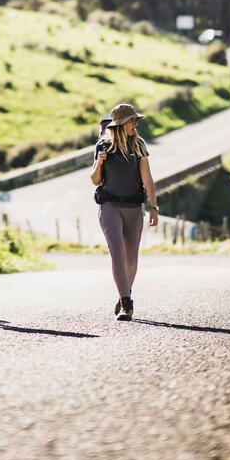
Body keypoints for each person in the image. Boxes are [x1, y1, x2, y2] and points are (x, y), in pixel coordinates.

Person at [91, 102, 158, 320]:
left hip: (134, 207)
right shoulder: (103, 146)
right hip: (109, 206)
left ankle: (123, 294)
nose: (135, 124)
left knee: (131, 258)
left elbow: (147, 178)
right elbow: (95, 180)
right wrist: (99, 164)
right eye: (131, 121)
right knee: (117, 254)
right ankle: (127, 304)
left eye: (135, 120)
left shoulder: (139, 145)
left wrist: (154, 207)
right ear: (119, 125)